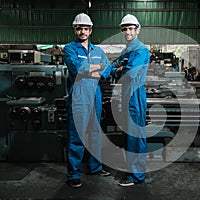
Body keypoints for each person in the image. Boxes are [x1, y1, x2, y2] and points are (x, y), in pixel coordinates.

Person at [63, 13, 111, 188]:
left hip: (95, 97)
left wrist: (95, 70)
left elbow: (108, 69)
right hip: (79, 98)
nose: (82, 31)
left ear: (90, 31)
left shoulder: (98, 51)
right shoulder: (69, 49)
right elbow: (78, 69)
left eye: (86, 28)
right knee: (76, 136)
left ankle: (95, 167)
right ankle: (74, 174)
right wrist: (97, 68)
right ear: (75, 30)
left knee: (95, 134)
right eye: (79, 28)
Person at [111, 14, 150, 187]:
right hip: (126, 94)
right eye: (124, 29)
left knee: (135, 135)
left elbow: (129, 72)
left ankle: (136, 176)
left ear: (138, 29)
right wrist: (116, 68)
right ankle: (131, 167)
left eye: (131, 28)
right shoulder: (126, 51)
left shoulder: (141, 50)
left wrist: (118, 70)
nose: (127, 31)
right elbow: (114, 66)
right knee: (128, 134)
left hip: (135, 95)